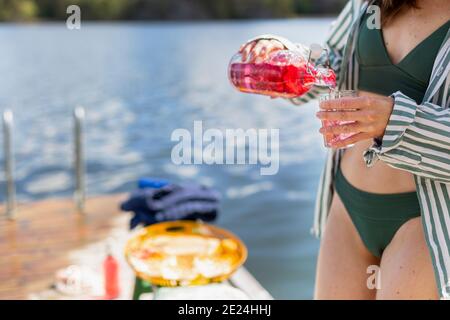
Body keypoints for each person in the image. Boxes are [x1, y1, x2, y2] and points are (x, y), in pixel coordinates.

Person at [239, 0, 450, 299]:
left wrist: (395, 118)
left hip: (423, 221)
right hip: (347, 206)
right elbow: (332, 60)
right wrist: (287, 59)